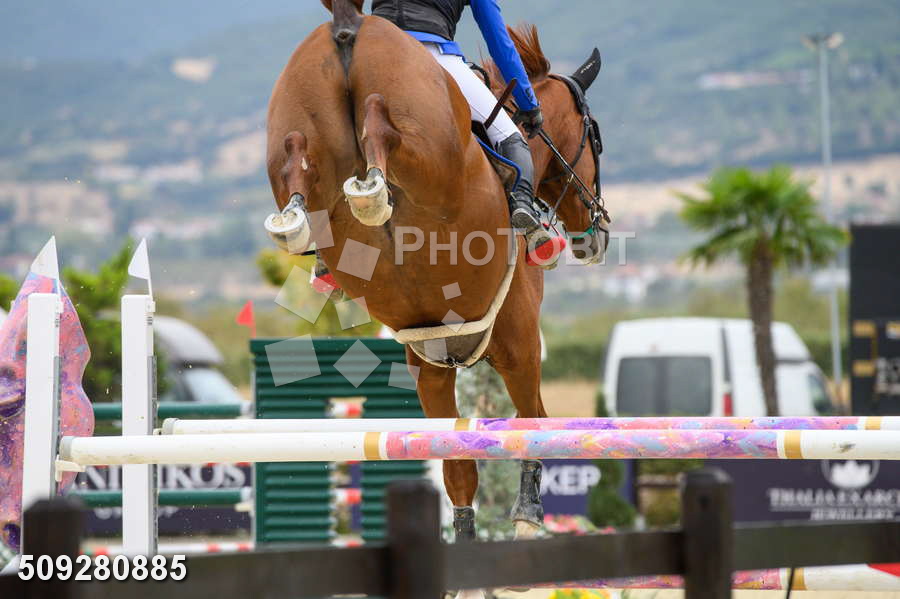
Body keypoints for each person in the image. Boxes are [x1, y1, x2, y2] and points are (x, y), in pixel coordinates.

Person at [372, 0, 565, 267]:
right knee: (508, 135)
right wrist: (529, 103)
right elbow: (497, 38)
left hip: (373, 51)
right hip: (433, 53)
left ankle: (328, 254)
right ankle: (526, 217)